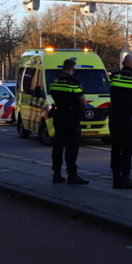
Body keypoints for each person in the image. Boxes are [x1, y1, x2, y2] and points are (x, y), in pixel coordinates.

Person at [108, 53, 132, 189]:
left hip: (114, 117)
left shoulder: (114, 76)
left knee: (115, 147)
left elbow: (111, 90)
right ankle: (125, 177)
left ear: (123, 63)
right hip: (128, 118)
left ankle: (115, 177)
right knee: (126, 149)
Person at [49, 57, 89, 185]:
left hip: (58, 115)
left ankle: (57, 174)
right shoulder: (73, 81)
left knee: (58, 145)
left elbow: (53, 94)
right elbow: (83, 102)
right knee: (72, 146)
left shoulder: (55, 80)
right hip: (71, 117)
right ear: (73, 69)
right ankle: (72, 175)